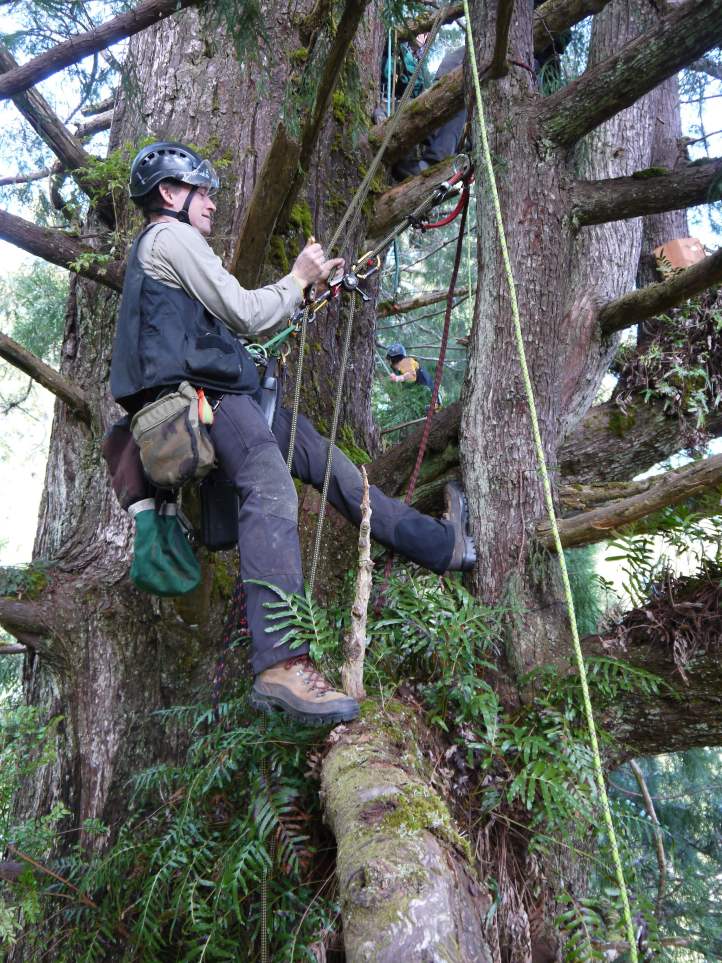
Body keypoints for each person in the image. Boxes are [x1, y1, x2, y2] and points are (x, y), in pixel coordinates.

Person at [110, 141, 476, 726]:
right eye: (200, 192)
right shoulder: (169, 237)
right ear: (170, 196)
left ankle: (444, 546)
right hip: (211, 403)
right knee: (272, 488)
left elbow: (235, 327)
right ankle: (280, 664)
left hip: (233, 399)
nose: (210, 204)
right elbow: (248, 313)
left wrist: (303, 288)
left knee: (332, 468)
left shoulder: (170, 253)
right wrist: (298, 276)